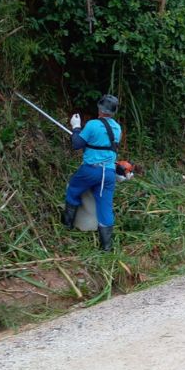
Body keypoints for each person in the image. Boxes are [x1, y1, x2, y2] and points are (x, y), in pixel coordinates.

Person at [61, 94, 121, 252]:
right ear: (113, 112)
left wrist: (76, 127)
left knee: (73, 190)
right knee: (105, 208)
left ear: (100, 108)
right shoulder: (117, 128)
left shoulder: (93, 125)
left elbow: (76, 144)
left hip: (90, 170)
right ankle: (107, 248)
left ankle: (66, 228)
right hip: (108, 174)